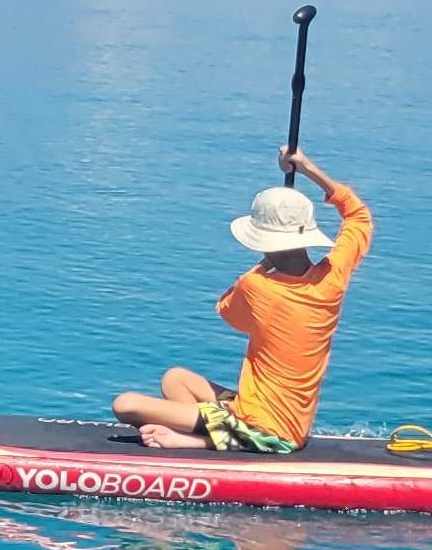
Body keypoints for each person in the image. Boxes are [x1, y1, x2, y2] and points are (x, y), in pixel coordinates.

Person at [112, 146, 373, 454]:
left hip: (268, 430)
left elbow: (226, 310)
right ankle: (213, 431)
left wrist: (264, 264)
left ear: (264, 241)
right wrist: (306, 168)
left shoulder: (257, 286)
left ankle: (203, 441)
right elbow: (359, 216)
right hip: (281, 418)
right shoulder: (333, 277)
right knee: (175, 379)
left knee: (125, 404)